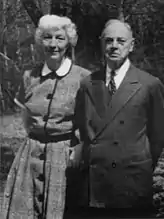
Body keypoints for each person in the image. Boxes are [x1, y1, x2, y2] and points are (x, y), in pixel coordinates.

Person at [70, 19, 164, 217]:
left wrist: (141, 166)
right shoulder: (88, 84)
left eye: (121, 41)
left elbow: (157, 136)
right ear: (101, 44)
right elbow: (79, 125)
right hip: (95, 182)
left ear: (131, 45)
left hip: (132, 182)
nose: (114, 46)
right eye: (109, 40)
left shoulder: (149, 84)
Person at [2, 14, 90, 219]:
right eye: (47, 38)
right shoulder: (29, 76)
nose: (53, 44)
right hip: (30, 153)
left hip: (64, 153)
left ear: (69, 42)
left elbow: (91, 119)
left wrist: (81, 145)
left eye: (59, 38)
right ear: (40, 41)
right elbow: (25, 116)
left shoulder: (83, 77)